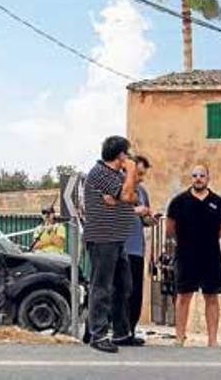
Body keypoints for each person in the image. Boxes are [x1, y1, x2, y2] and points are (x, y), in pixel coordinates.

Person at [83, 135, 139, 353]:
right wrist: (131, 173)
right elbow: (127, 194)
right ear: (121, 155)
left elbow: (131, 197)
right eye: (128, 154)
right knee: (102, 287)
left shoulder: (116, 176)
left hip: (116, 238)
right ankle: (97, 334)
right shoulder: (101, 173)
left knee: (124, 286)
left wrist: (120, 196)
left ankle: (121, 332)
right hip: (102, 238)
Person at [167, 164, 221, 348]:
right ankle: (179, 338)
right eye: (194, 175)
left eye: (202, 175)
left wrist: (207, 241)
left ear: (208, 178)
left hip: (211, 256)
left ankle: (212, 340)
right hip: (186, 255)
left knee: (211, 297)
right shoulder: (179, 202)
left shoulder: (218, 203)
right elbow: (170, 227)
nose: (198, 178)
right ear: (191, 178)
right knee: (183, 296)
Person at [123, 155, 159, 343]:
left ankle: (130, 330)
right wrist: (136, 211)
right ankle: (117, 330)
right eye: (138, 173)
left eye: (143, 175)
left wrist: (149, 218)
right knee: (121, 291)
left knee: (136, 292)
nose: (140, 178)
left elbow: (144, 217)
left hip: (137, 249)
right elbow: (112, 211)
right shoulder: (120, 188)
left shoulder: (142, 192)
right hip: (121, 248)